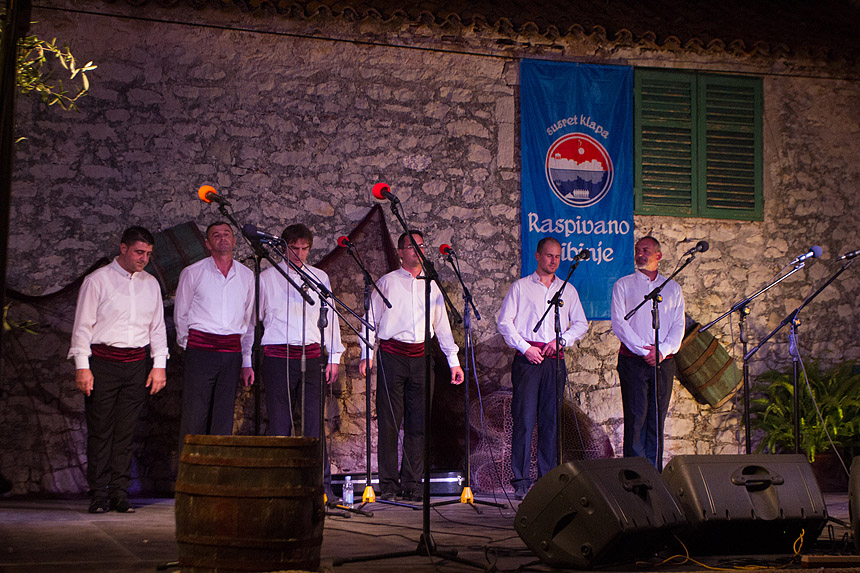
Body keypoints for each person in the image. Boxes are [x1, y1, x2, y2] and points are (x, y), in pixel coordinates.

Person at [68, 226, 168, 514]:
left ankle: (120, 493)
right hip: (103, 364)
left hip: (135, 365)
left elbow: (157, 327)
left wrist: (159, 366)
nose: (144, 258)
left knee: (126, 432)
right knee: (101, 431)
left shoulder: (151, 283)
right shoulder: (97, 281)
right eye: (139, 252)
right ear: (123, 248)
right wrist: (82, 367)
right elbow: (82, 327)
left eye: (148, 254)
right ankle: (99, 494)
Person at [359, 230, 464, 502]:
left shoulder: (432, 285)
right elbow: (370, 320)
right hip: (392, 356)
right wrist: (366, 354)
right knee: (389, 423)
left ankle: (412, 483)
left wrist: (453, 361)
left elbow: (442, 326)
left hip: (421, 359)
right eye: (411, 246)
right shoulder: (387, 283)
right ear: (401, 252)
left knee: (418, 425)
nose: (418, 250)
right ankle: (389, 485)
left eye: (421, 246)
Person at [497, 237, 588, 500]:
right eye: (549, 255)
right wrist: (525, 347)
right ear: (537, 256)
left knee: (551, 421)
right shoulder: (521, 287)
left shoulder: (567, 290)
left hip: (554, 360)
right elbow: (505, 322)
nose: (554, 261)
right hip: (528, 359)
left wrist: (561, 340)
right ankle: (520, 480)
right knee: (524, 420)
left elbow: (580, 323)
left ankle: (547, 478)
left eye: (558, 256)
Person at [259, 224, 344, 501]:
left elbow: (330, 318)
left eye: (304, 249)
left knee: (313, 424)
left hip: (311, 355)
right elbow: (253, 319)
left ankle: (320, 487)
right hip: (278, 356)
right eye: (293, 248)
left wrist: (334, 356)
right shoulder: (268, 277)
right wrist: (248, 357)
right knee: (280, 424)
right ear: (283, 247)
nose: (299, 253)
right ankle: (281, 487)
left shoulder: (319, 277)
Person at [174, 222, 255, 447]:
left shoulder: (246, 275)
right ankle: (190, 467)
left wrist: (246, 359)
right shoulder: (193, 272)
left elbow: (248, 320)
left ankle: (216, 467)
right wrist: (189, 346)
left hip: (231, 353)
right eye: (216, 235)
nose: (222, 238)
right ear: (208, 244)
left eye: (226, 234)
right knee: (194, 414)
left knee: (223, 415)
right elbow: (181, 314)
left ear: (234, 241)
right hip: (201, 350)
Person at [611, 236, 685, 470]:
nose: (640, 254)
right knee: (636, 419)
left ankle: (654, 473)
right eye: (637, 250)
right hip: (633, 361)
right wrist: (644, 349)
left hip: (663, 362)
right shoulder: (623, 284)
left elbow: (678, 326)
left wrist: (661, 351)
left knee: (656, 419)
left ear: (658, 256)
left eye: (646, 250)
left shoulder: (672, 288)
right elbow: (619, 323)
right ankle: (634, 473)